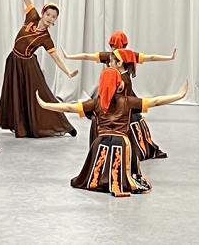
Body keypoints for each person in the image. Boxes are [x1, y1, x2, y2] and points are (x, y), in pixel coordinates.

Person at [36, 68, 188, 197]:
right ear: (119, 84)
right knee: (128, 169)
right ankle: (117, 181)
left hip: (99, 144)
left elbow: (70, 107)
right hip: (122, 144)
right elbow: (156, 101)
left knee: (95, 173)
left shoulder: (95, 103)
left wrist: (46, 105)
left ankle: (99, 179)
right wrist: (178, 96)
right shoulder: (128, 102)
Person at [64, 31, 176, 159]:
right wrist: (169, 57)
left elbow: (86, 56)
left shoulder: (112, 60)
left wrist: (69, 56)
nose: (110, 63)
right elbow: (151, 57)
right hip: (122, 104)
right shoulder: (129, 56)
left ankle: (107, 151)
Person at [0, 0, 78, 138]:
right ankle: (19, 125)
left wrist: (68, 72)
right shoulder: (32, 17)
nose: (50, 18)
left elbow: (56, 58)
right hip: (13, 61)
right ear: (43, 13)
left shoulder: (46, 38)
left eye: (53, 17)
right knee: (15, 94)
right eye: (48, 14)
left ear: (55, 21)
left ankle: (64, 125)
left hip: (28, 66)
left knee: (41, 95)